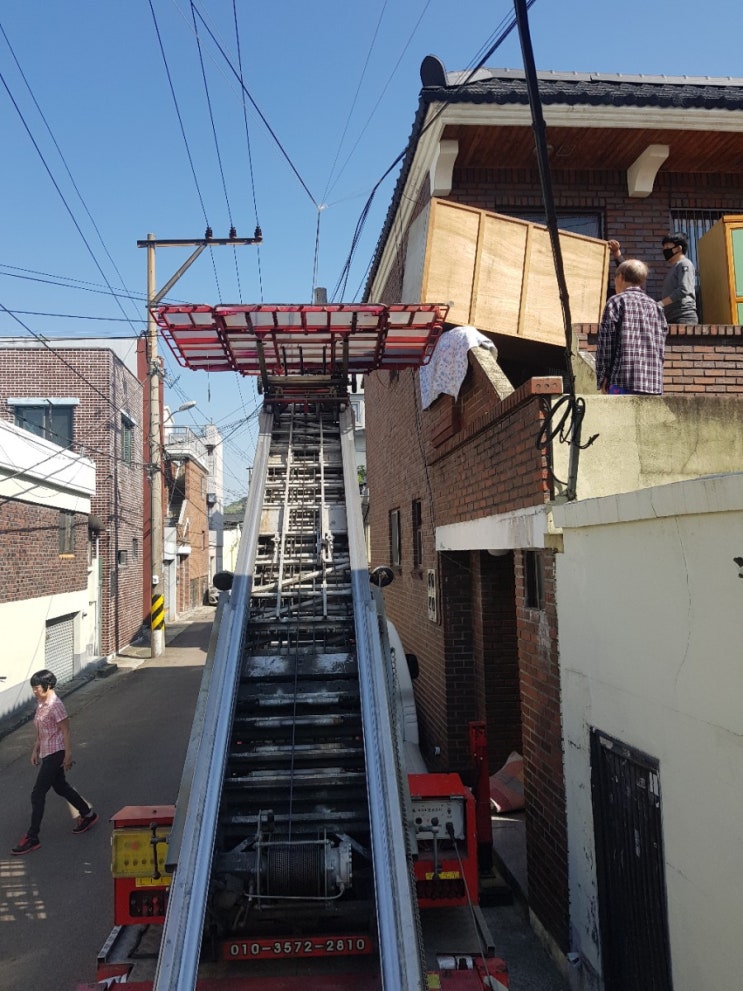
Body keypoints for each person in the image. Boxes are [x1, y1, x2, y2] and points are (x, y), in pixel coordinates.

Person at [11, 669, 98, 855]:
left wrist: (68, 755)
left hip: (56, 753)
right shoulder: (41, 703)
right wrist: (35, 750)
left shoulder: (55, 705)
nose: (34, 691)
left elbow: (65, 731)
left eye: (37, 688)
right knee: (60, 787)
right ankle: (88, 814)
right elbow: (41, 730)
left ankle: (32, 837)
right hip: (46, 751)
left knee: (37, 794)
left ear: (48, 686)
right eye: (33, 688)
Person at [596, 258, 668, 395]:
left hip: (622, 382)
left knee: (619, 417)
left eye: (614, 278)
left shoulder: (616, 302)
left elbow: (606, 345)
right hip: (653, 384)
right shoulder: (656, 307)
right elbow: (661, 347)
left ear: (621, 277)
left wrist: (602, 377)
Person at [607, 232, 698, 324]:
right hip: (672, 317)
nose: (665, 251)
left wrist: (660, 304)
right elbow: (629, 271)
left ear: (678, 248)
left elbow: (684, 290)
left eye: (667, 248)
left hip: (683, 317)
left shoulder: (685, 264)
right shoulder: (674, 268)